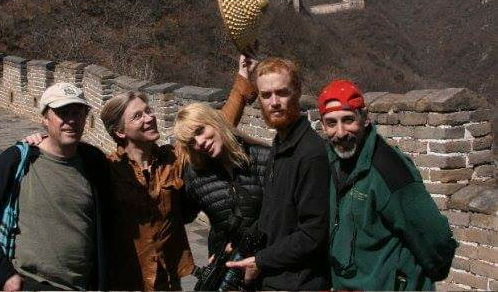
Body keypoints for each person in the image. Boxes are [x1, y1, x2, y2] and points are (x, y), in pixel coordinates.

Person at [23, 55, 257, 290]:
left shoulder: (174, 160)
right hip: (125, 281)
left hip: (167, 280)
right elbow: (63, 161)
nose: (150, 118)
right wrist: (39, 140)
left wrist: (243, 79)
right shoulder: (106, 169)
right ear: (120, 132)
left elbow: (216, 127)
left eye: (148, 111)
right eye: (138, 116)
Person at [0, 82, 110, 291]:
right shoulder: (16, 160)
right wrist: (4, 276)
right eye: (62, 113)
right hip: (31, 283)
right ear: (45, 118)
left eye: (78, 113)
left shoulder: (94, 162)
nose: (71, 120)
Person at [317, 79, 457, 290]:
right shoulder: (331, 161)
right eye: (331, 123)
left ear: (364, 118)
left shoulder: (389, 169)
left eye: (348, 120)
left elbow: (436, 237)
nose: (341, 132)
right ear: (322, 125)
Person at [227, 57, 331, 290]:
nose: (274, 102)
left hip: (298, 283)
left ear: (297, 92)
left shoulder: (310, 154)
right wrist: (238, 248)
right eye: (266, 95)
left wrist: (261, 261)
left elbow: (313, 235)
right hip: (275, 278)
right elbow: (272, 216)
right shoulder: (280, 143)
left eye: (282, 93)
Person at [173, 102, 269, 258]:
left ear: (214, 121)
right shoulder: (197, 175)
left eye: (200, 130)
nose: (200, 143)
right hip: (225, 268)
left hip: (267, 264)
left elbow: (283, 216)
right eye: (191, 142)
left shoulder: (264, 158)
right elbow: (177, 217)